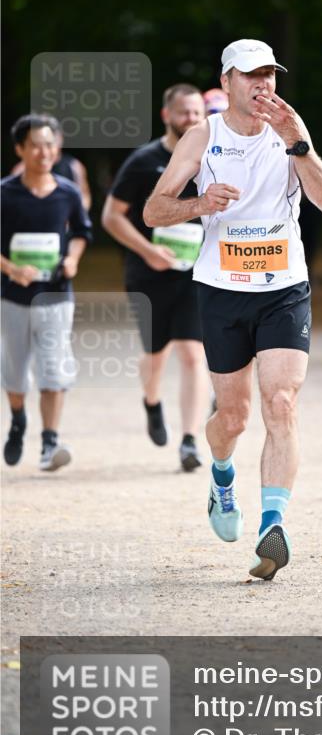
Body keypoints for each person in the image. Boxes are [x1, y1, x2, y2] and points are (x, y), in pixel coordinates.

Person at [143, 39, 322, 580]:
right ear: (225, 81)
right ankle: (222, 476)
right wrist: (201, 203)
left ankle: (272, 524)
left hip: (283, 288)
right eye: (250, 76)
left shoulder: (290, 131)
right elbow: (154, 209)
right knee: (233, 418)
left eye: (270, 75)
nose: (263, 85)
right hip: (223, 290)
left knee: (280, 401)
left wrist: (298, 144)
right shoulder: (203, 136)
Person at [102, 84, 210, 472]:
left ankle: (189, 440)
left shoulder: (212, 158)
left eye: (197, 113)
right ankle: (151, 401)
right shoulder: (144, 161)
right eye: (184, 113)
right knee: (155, 354)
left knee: (192, 352)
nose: (192, 120)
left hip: (194, 274)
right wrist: (149, 252)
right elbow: (111, 216)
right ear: (167, 116)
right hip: (148, 274)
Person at [1, 114, 92, 470]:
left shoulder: (68, 193)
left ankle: (50, 442)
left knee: (53, 369)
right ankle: (19, 418)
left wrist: (72, 259)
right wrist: (11, 269)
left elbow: (83, 233)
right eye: (36, 145)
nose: (44, 152)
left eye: (50, 145)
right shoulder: (5, 193)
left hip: (56, 295)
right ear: (21, 148)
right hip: (13, 296)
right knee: (15, 370)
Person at [12, 126, 92, 211]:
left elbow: (84, 198)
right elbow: (12, 197)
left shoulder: (74, 166)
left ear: (61, 139)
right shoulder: (22, 168)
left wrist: (71, 215)